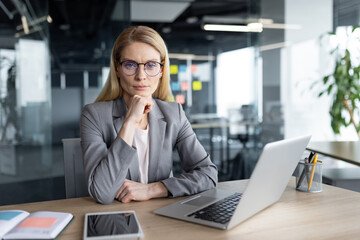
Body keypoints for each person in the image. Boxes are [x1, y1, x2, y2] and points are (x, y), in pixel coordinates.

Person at [80, 26, 218, 204]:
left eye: (151, 65)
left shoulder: (173, 113)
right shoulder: (93, 115)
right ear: (117, 68)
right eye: (130, 65)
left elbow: (208, 174)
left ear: (161, 70)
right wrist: (129, 122)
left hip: (160, 216)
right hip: (115, 217)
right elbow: (102, 193)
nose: (141, 76)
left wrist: (153, 189)